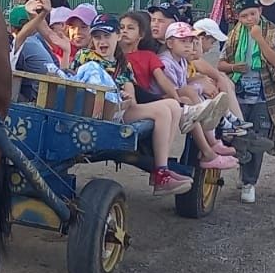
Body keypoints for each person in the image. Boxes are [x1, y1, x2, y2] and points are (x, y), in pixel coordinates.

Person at [79, 13, 192, 196]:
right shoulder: (85, 56)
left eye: (107, 36)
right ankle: (160, 172)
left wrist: (127, 97)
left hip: (118, 110)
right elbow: (74, 78)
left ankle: (159, 170)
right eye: (97, 37)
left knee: (172, 106)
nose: (101, 41)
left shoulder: (122, 64)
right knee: (164, 111)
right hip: (94, 110)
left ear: (117, 36)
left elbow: (131, 95)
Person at [220, 0, 275, 203]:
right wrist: (233, 67)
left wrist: (259, 39)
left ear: (260, 11)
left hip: (265, 92)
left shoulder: (271, 31)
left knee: (258, 136)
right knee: (238, 135)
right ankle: (243, 171)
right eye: (244, 16)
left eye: (253, 14)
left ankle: (249, 182)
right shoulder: (235, 34)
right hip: (238, 93)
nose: (249, 19)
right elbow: (220, 64)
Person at [157, 21, 237, 170]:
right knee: (190, 94)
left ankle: (218, 122)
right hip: (164, 98)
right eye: (183, 41)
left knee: (198, 89)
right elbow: (172, 89)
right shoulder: (166, 62)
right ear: (169, 43)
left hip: (175, 96)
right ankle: (213, 138)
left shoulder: (180, 59)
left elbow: (183, 82)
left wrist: (198, 81)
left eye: (190, 41)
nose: (188, 45)